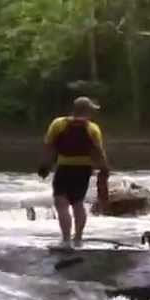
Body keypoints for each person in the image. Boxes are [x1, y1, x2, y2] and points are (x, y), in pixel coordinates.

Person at [39, 96, 111, 247]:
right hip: (84, 170)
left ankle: (66, 240)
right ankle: (78, 239)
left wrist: (45, 165)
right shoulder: (93, 128)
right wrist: (104, 168)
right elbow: (98, 152)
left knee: (61, 203)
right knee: (78, 203)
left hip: (64, 167)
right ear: (86, 110)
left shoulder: (58, 124)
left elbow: (49, 146)